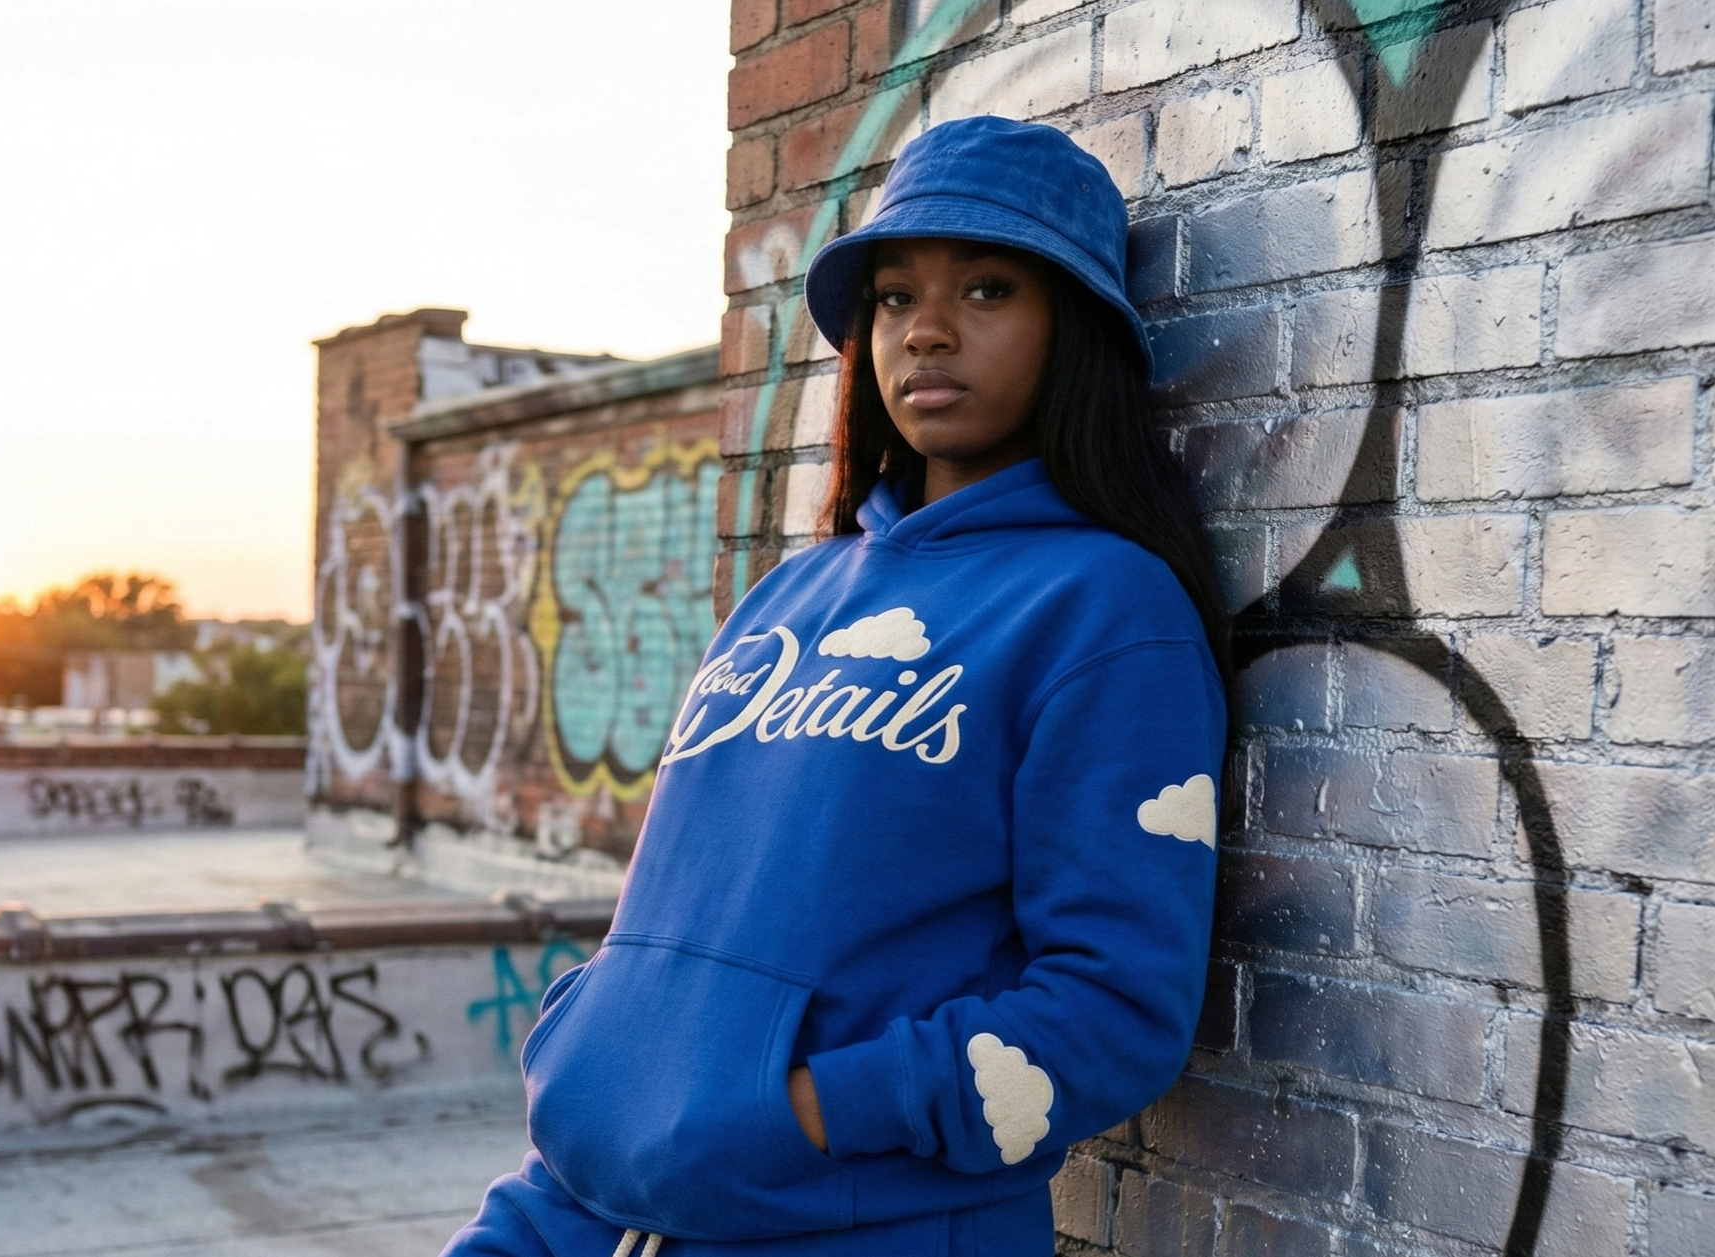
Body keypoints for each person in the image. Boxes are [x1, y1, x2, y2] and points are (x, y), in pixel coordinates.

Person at [440, 114, 1228, 1257]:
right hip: (601, 1205)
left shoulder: (1106, 610)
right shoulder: (787, 596)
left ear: (1077, 330)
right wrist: (602, 1094)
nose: (929, 333)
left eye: (990, 290)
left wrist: (798, 1112)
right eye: (896, 298)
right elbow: (673, 934)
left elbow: (1117, 1012)